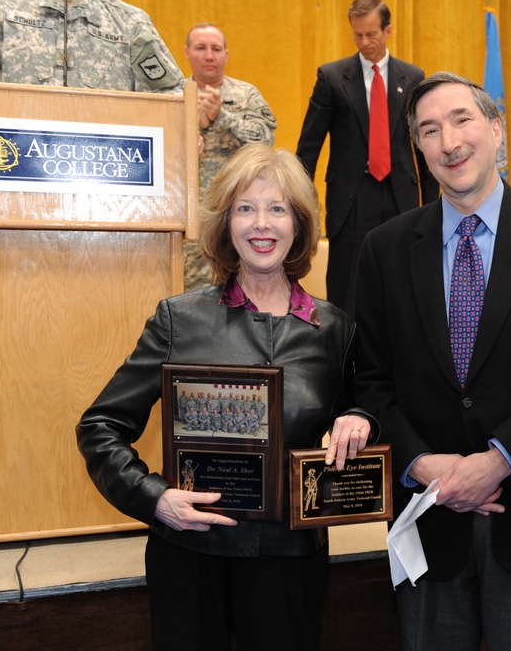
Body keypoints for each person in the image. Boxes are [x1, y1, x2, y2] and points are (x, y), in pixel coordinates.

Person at [76, 143, 375, 650]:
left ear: (299, 225)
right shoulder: (179, 319)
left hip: (290, 558)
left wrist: (362, 415)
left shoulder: (335, 328)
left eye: (278, 209)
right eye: (246, 208)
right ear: (226, 224)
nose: (262, 224)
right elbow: (100, 427)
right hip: (191, 553)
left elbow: (367, 403)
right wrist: (155, 499)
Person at [354, 72, 511, 650]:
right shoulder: (385, 248)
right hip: (428, 519)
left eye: (462, 119)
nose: (449, 141)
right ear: (419, 150)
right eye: (429, 130)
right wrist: (422, 466)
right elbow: (369, 379)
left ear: (496, 130)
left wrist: (496, 461)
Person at [296, 0, 439, 314]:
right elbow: (309, 147)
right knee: (347, 292)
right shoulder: (332, 77)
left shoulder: (413, 77)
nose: (364, 42)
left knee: (402, 288)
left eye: (371, 34)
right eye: (357, 34)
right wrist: (301, 205)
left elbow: (425, 145)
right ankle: (345, 361)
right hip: (351, 201)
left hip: (400, 197)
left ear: (388, 31)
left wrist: (432, 208)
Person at [183, 22, 278, 291]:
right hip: (191, 217)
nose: (209, 56)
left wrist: (221, 116)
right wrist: (196, 127)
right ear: (187, 52)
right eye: (201, 48)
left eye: (216, 49)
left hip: (239, 214)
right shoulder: (171, 96)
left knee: (241, 292)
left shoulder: (246, 95)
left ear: (226, 54)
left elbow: (266, 140)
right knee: (192, 295)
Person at [0, 0, 182, 93]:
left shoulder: (130, 22)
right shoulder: (0, 8)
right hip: (13, 160)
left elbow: (170, 94)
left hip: (104, 166)